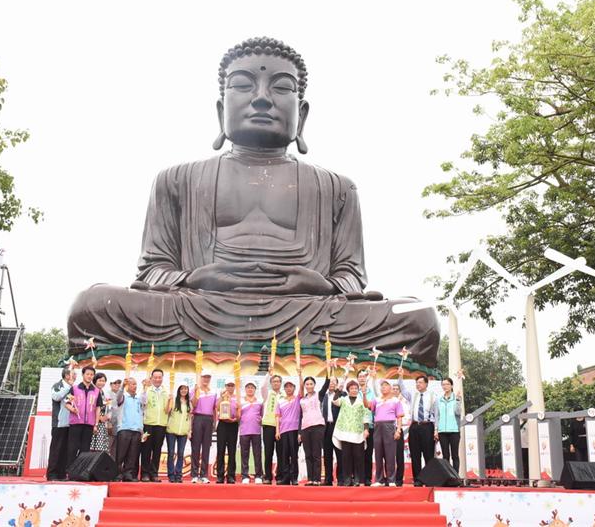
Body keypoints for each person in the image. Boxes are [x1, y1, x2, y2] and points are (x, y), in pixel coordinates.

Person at [66, 37, 441, 369]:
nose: (261, 97)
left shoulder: (337, 188)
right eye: (243, 85)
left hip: (307, 315)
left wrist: (319, 285)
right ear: (220, 109)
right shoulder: (175, 180)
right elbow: (154, 270)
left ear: (302, 114)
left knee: (419, 317)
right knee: (92, 306)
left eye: (281, 88)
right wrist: (193, 279)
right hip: (199, 308)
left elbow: (351, 278)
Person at [397, 369, 436, 486]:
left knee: (428, 454)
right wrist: (400, 376)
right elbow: (402, 389)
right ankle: (418, 479)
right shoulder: (413, 395)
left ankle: (429, 479)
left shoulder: (433, 396)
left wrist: (436, 430)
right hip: (414, 427)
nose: (418, 385)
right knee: (415, 455)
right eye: (417, 383)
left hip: (427, 426)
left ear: (426, 384)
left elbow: (436, 414)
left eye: (420, 382)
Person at [332, 380, 372, 486]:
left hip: (358, 433)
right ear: (348, 390)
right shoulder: (344, 400)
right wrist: (338, 390)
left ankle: (359, 480)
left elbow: (366, 415)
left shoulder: (361, 400)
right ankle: (347, 479)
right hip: (345, 433)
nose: (354, 390)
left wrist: (366, 428)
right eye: (351, 388)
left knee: (358, 457)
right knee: (346, 457)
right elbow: (334, 401)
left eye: (355, 388)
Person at [65, 366, 103, 471]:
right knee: (72, 448)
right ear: (83, 375)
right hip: (76, 423)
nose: (89, 376)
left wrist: (96, 424)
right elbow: (67, 404)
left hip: (89, 424)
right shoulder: (75, 388)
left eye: (91, 374)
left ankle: (81, 471)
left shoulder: (96, 391)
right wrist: (72, 409)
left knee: (85, 449)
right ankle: (70, 471)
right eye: (87, 374)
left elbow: (98, 408)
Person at [370, 378, 403, 486]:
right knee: (378, 454)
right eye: (382, 386)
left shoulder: (396, 400)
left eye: (385, 385)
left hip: (389, 426)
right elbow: (369, 406)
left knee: (390, 454)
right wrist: (365, 393)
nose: (383, 387)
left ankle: (391, 480)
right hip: (378, 427)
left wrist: (398, 430)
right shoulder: (377, 399)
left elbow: (399, 417)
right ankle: (379, 480)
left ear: (390, 388)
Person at [299, 370, 330, 485]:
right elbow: (300, 416)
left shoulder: (319, 395)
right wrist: (300, 432)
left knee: (316, 454)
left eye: (311, 384)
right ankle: (310, 478)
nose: (309, 386)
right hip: (305, 428)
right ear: (304, 386)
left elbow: (327, 383)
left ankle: (317, 479)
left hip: (317, 426)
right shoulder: (302, 399)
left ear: (314, 385)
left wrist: (328, 368)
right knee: (308, 454)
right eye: (307, 384)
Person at [140, 369, 169, 482]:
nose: (157, 379)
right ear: (151, 378)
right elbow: (142, 403)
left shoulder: (166, 392)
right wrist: (144, 388)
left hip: (161, 425)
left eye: (159, 377)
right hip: (148, 424)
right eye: (155, 377)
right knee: (146, 449)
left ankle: (154, 473)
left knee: (157, 450)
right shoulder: (147, 390)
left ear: (162, 378)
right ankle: (145, 474)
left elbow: (168, 409)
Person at [47, 368, 74, 481]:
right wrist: (68, 387)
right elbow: (56, 397)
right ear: (67, 375)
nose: (75, 377)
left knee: (65, 450)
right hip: (59, 423)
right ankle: (52, 474)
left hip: (70, 423)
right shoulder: (58, 385)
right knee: (56, 449)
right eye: (73, 374)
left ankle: (62, 474)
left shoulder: (73, 388)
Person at [275, 377, 303, 485]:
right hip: (283, 431)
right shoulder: (280, 401)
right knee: (284, 455)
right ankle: (286, 478)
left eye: (291, 386)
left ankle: (294, 478)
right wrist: (277, 431)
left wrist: (299, 374)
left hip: (295, 430)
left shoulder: (297, 399)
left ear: (294, 388)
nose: (288, 388)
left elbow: (302, 387)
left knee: (294, 454)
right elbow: (277, 416)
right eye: (286, 386)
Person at [115, 377, 144, 482]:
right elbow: (117, 398)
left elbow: (143, 408)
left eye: (136, 384)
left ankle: (128, 474)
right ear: (128, 385)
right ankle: (118, 474)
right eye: (132, 384)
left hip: (136, 429)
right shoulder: (123, 397)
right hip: (124, 428)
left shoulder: (138, 399)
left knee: (132, 455)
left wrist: (141, 429)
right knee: (121, 454)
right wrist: (122, 386)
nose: (134, 386)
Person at [190, 372, 217, 483]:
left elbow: (215, 408)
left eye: (208, 377)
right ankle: (195, 474)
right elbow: (194, 405)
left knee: (206, 447)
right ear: (200, 378)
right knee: (196, 447)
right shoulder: (195, 390)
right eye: (204, 377)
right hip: (198, 418)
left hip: (209, 419)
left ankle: (204, 474)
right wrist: (197, 392)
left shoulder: (213, 392)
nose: (206, 379)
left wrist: (215, 422)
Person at [261, 371, 286, 484]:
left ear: (281, 383)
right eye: (274, 381)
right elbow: (262, 386)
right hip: (268, 426)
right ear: (271, 383)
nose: (276, 383)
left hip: (281, 427)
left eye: (278, 381)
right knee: (268, 452)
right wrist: (268, 375)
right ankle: (267, 476)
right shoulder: (267, 394)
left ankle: (280, 476)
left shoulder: (284, 395)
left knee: (280, 453)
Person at [434, 377, 462, 472]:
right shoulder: (439, 400)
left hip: (454, 430)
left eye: (447, 384)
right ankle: (448, 477)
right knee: (445, 456)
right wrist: (436, 430)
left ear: (451, 386)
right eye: (443, 384)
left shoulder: (456, 398)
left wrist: (458, 400)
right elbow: (437, 416)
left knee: (455, 455)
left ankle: (456, 477)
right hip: (442, 431)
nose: (445, 386)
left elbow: (458, 413)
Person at [239, 381, 264, 484]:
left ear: (255, 389)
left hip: (256, 431)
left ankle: (258, 475)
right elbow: (237, 415)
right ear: (245, 389)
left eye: (252, 387)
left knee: (257, 454)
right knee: (244, 455)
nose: (250, 389)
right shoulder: (240, 402)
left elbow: (262, 416)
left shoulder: (259, 402)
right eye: (248, 387)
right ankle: (245, 476)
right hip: (244, 431)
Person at [165, 383, 191, 483]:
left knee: (181, 454)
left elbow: (189, 418)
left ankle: (178, 475)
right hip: (171, 431)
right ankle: (171, 475)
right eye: (182, 389)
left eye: (186, 389)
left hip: (183, 432)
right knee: (171, 453)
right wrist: (168, 400)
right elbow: (167, 411)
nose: (184, 391)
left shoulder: (189, 403)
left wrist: (189, 430)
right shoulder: (174, 400)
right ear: (178, 390)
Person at [215, 381, 239, 484]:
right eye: (228, 385)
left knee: (232, 451)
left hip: (233, 424)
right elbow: (216, 407)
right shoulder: (222, 397)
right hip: (222, 424)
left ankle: (231, 476)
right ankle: (220, 476)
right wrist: (221, 397)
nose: (230, 387)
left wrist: (236, 419)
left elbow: (239, 410)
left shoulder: (237, 397)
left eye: (232, 385)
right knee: (220, 450)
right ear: (225, 387)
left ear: (234, 387)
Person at [321, 376, 343, 485]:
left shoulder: (342, 395)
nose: (332, 383)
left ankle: (341, 479)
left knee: (340, 454)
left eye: (334, 381)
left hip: (337, 427)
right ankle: (328, 479)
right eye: (330, 381)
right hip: (326, 428)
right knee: (327, 454)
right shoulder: (323, 397)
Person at [357, 369, 376, 485]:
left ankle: (368, 478)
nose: (362, 378)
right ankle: (358, 478)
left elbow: (373, 407)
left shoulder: (372, 393)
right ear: (357, 379)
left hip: (369, 425)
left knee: (368, 453)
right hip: (356, 426)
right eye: (360, 376)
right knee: (357, 453)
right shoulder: (353, 391)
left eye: (364, 376)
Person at [392, 383, 411, 486]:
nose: (395, 390)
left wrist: (400, 429)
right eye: (393, 389)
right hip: (388, 429)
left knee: (399, 455)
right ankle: (390, 479)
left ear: (400, 391)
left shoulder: (404, 402)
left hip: (400, 429)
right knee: (389, 456)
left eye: (396, 389)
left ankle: (399, 479)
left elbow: (406, 417)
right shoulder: (388, 401)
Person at [90, 373, 110, 453]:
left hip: (102, 423)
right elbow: (91, 407)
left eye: (104, 381)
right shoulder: (92, 391)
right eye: (100, 380)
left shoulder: (103, 393)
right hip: (93, 421)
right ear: (95, 381)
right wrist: (98, 418)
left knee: (100, 448)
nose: (102, 383)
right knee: (91, 446)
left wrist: (107, 416)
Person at [106, 379, 123, 458]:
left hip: (119, 425)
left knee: (115, 448)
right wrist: (108, 423)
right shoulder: (107, 394)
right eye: (114, 383)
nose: (117, 385)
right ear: (110, 384)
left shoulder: (122, 395)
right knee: (107, 446)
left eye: (118, 383)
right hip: (109, 424)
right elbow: (107, 409)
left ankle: (112, 467)